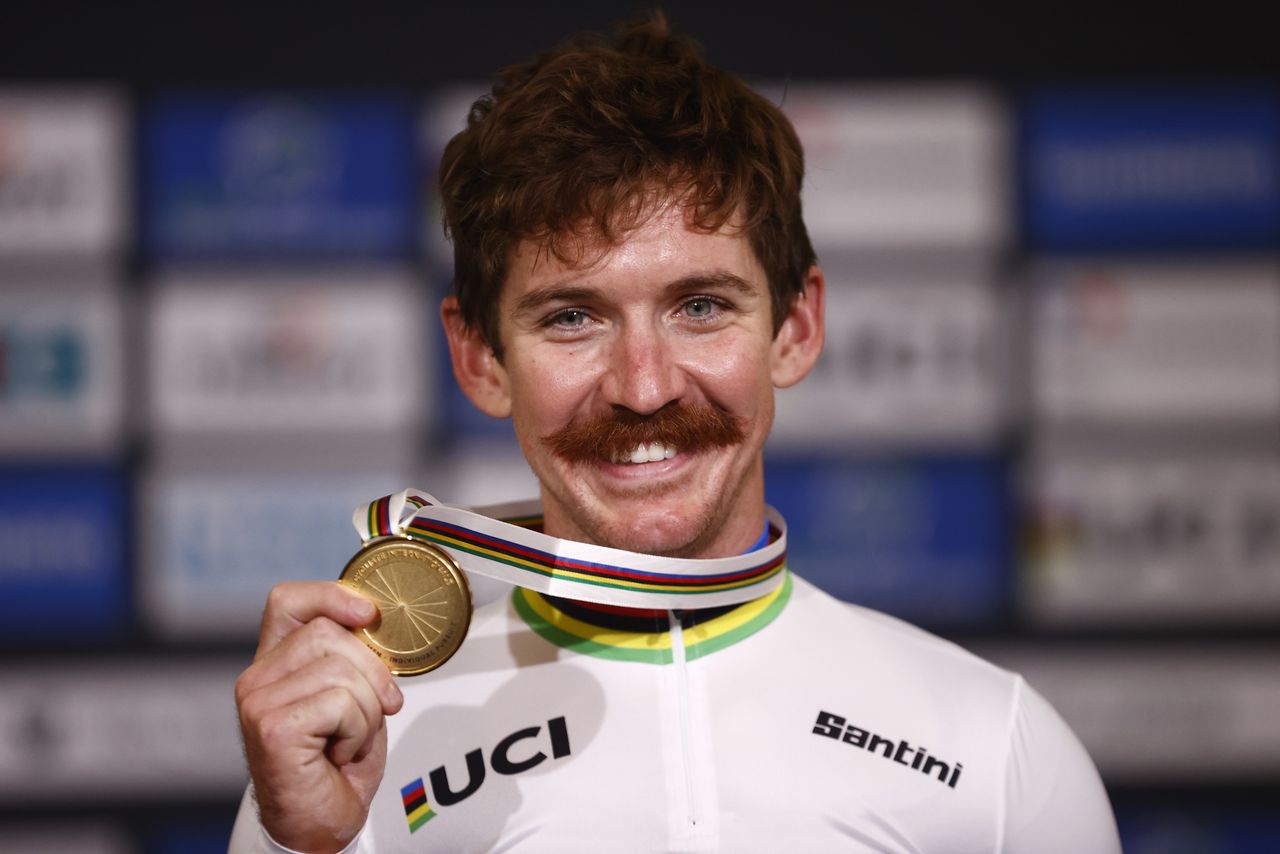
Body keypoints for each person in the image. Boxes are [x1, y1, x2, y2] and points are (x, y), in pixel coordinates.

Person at [230, 13, 1120, 853]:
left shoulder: (992, 745)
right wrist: (300, 848)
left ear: (796, 328)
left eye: (700, 307)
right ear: (481, 360)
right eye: (573, 317)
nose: (645, 387)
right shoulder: (356, 755)